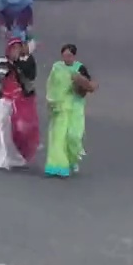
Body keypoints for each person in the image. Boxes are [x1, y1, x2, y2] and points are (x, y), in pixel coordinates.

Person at [0, 37, 40, 170]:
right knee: (2, 128)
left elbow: (31, 75)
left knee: (20, 129)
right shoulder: (0, 63)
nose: (16, 50)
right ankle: (0, 156)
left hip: (21, 101)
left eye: (18, 48)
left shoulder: (25, 61)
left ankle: (18, 155)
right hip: (4, 101)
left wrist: (23, 59)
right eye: (13, 48)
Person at [44, 43, 94, 178]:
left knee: (74, 136)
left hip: (75, 107)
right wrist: (50, 100)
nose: (67, 58)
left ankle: (72, 159)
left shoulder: (79, 68)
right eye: (65, 55)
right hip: (60, 106)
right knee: (58, 137)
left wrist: (80, 81)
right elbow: (51, 84)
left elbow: (89, 85)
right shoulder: (56, 67)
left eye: (70, 55)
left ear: (74, 56)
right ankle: (57, 166)